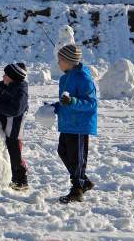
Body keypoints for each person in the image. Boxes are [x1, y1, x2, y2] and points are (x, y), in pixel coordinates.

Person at [51, 44, 97, 204]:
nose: (58, 63)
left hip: (79, 125)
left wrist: (72, 101)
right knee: (62, 151)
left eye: (60, 60)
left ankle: (77, 189)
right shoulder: (65, 78)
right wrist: (56, 106)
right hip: (67, 123)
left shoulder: (84, 78)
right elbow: (66, 101)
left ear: (70, 61)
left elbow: (91, 103)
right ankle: (83, 181)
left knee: (76, 158)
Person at [0, 63, 29, 191]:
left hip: (14, 127)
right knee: (7, 150)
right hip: (6, 124)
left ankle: (21, 180)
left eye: (6, 75)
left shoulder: (20, 91)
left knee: (15, 152)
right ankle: (10, 176)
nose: (3, 77)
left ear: (13, 77)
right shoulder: (9, 85)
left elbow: (15, 110)